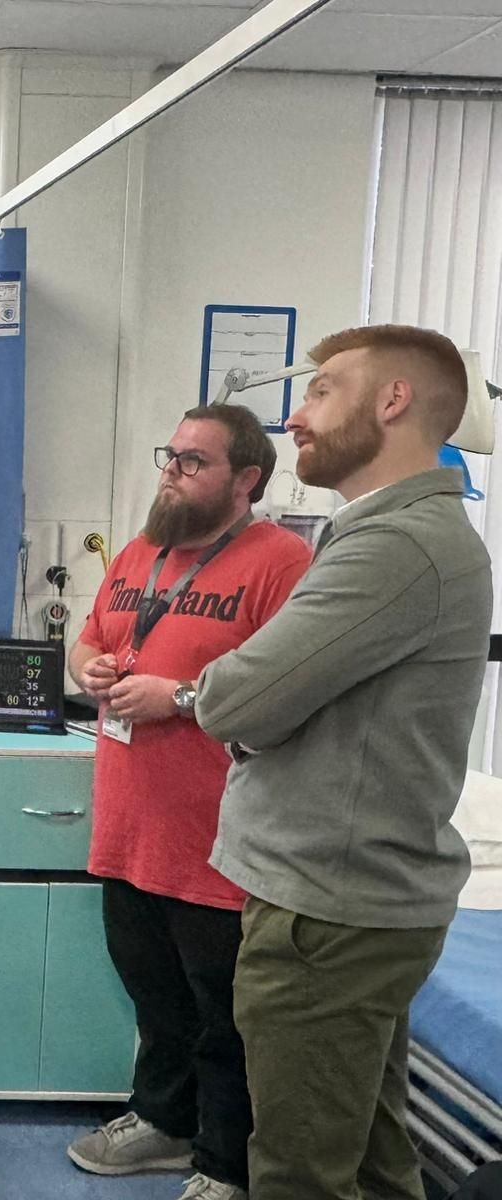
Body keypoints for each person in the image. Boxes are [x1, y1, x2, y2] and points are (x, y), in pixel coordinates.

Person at [194, 325, 491, 1200]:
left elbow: (233, 700)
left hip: (327, 912)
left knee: (298, 1174)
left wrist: (241, 711)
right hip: (353, 904)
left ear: (392, 401)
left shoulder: (395, 547)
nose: (296, 415)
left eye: (322, 390)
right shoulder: (395, 533)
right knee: (369, 1158)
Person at [66, 403, 313, 1200]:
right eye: (169, 454)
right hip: (129, 825)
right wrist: (93, 667)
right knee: (154, 995)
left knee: (224, 1017)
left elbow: (287, 689)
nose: (172, 469)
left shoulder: (281, 563)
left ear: (247, 479)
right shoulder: (142, 550)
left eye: (193, 460)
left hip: (217, 838)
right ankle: (164, 1122)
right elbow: (90, 637)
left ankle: (223, 1163)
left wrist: (176, 696)